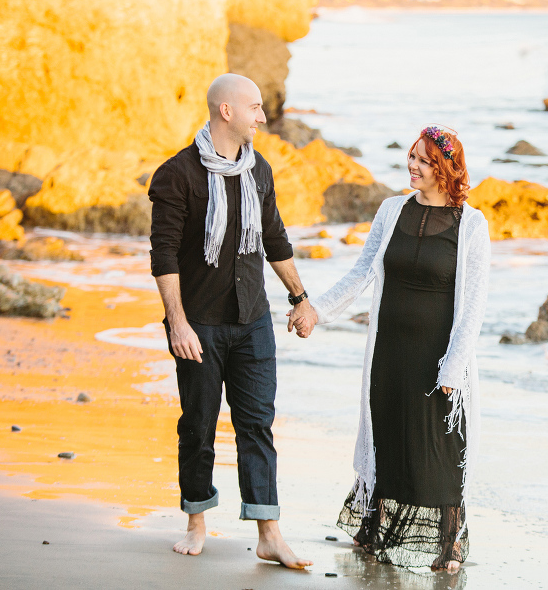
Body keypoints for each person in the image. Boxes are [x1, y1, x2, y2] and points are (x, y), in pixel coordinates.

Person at [148, 73, 316, 568]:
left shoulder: (258, 169)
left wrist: (300, 298)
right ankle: (197, 520)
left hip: (252, 321)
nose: (263, 116)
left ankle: (268, 532)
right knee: (198, 426)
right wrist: (176, 323)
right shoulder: (176, 175)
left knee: (257, 425)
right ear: (227, 112)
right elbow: (164, 258)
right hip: (198, 322)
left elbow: (276, 240)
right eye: (255, 108)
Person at [310, 126, 490, 571]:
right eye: (411, 157)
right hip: (388, 349)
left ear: (446, 167)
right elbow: (361, 274)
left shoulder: (471, 225)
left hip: (437, 356)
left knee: (441, 447)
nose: (413, 165)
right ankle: (374, 527)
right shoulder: (391, 211)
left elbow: (473, 307)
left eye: (424, 160)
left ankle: (448, 546)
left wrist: (453, 369)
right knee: (387, 438)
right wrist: (316, 311)